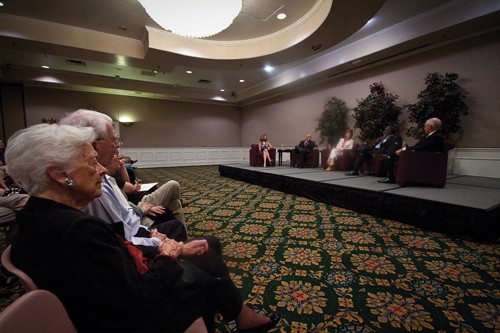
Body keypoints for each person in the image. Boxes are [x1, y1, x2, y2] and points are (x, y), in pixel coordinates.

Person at [5, 123, 281, 333]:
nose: (102, 170)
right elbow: (138, 297)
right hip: (121, 321)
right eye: (91, 162)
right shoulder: (78, 230)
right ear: (60, 174)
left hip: (92, 307)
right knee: (203, 281)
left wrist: (164, 247)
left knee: (199, 263)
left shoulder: (33, 218)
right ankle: (238, 315)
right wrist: (169, 254)